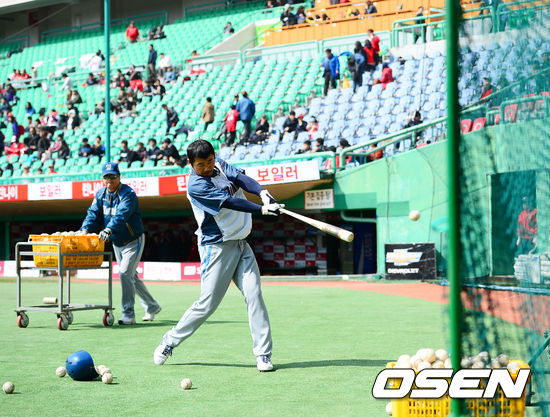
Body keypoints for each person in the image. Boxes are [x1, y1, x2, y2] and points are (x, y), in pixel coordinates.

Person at [153, 139, 281, 371]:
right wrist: (262, 209)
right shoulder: (196, 186)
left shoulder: (219, 165)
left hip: (241, 244)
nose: (207, 167)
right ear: (191, 164)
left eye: (210, 161)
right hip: (217, 247)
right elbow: (230, 202)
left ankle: (263, 354)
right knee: (207, 305)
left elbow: (240, 179)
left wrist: (263, 193)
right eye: (200, 164)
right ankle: (169, 341)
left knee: (254, 295)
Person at [80, 162, 162, 324]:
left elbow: (122, 214)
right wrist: (84, 229)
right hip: (117, 241)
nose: (109, 180)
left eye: (112, 176)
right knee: (131, 276)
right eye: (106, 177)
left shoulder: (128, 193)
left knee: (125, 273)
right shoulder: (101, 194)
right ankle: (152, 306)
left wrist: (108, 229)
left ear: (119, 177)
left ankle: (128, 314)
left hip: (133, 240)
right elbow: (93, 213)